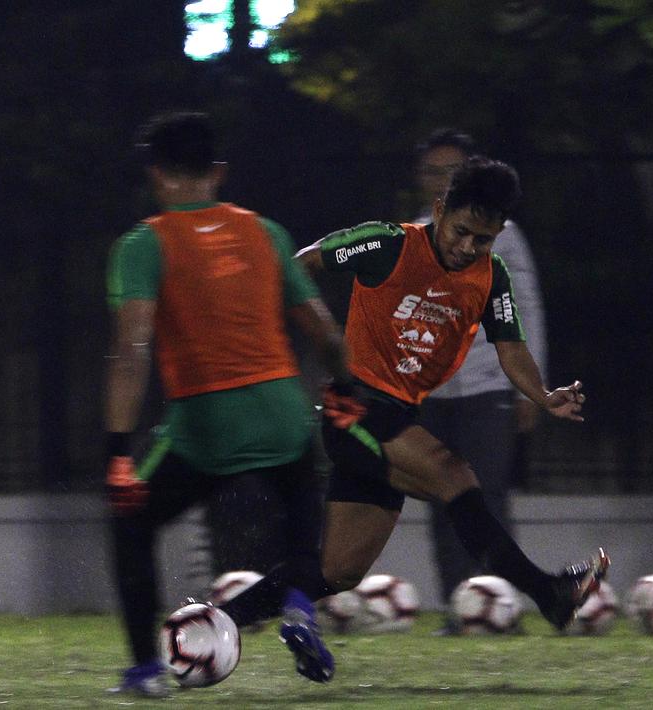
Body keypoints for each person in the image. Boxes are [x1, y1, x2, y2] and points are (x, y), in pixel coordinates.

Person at [219, 156, 607, 649]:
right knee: (454, 474)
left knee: (337, 571)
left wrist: (544, 395)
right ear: (440, 209)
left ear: (499, 233)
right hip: (354, 407)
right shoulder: (388, 243)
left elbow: (510, 349)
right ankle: (548, 592)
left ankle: (219, 619)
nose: (467, 247)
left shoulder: (492, 277)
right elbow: (307, 262)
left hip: (396, 417)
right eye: (461, 230)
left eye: (482, 239)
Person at [105, 112, 348, 696]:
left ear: (157, 175)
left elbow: (133, 348)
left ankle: (145, 672)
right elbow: (325, 333)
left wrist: (117, 449)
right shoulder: (267, 233)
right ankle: (298, 606)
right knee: (303, 512)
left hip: (206, 426)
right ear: (219, 172)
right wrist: (346, 389)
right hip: (283, 414)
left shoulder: (144, 244)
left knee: (130, 527)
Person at [411, 129, 549, 623]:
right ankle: (460, 608)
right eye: (434, 172)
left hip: (490, 386)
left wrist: (531, 388)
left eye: (453, 171)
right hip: (430, 394)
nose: (444, 181)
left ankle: (500, 606)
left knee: (486, 498)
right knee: (443, 502)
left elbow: (527, 305)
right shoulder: (413, 236)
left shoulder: (504, 234)